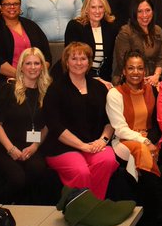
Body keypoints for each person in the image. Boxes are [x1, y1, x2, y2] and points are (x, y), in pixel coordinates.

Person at [40, 42, 119, 199]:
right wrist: (81, 146)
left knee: (108, 159)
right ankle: (80, 208)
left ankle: (94, 205)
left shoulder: (99, 87)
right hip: (62, 147)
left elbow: (110, 120)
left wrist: (103, 140)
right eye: (74, 58)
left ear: (89, 62)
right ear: (66, 62)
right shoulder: (55, 88)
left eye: (83, 58)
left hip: (94, 144)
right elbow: (55, 126)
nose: (78, 63)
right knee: (80, 171)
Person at [106, 49, 162, 226]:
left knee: (146, 151)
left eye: (140, 68)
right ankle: (160, 217)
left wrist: (150, 139)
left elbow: (157, 122)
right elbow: (119, 128)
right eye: (131, 68)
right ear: (123, 71)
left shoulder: (152, 91)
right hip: (123, 142)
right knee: (141, 151)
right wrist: (144, 140)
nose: (135, 72)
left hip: (149, 141)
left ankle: (154, 220)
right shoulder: (114, 94)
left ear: (145, 70)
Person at [0, 47, 58, 205]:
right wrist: (11, 149)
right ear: (21, 67)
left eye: (36, 63)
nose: (33, 67)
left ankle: (25, 210)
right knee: (17, 178)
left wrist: (35, 146)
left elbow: (47, 125)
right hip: (3, 146)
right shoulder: (7, 89)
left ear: (42, 66)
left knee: (38, 170)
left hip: (31, 147)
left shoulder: (47, 92)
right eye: (28, 63)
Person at [0, 0, 52, 88]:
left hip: (35, 79)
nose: (12, 7)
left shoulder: (31, 25)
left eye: (16, 4)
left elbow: (46, 55)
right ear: (0, 7)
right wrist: (21, 76)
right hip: (3, 81)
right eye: (7, 4)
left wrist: (36, 75)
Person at [64, 0, 121, 83]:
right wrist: (96, 80)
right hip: (78, 76)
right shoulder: (75, 26)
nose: (97, 11)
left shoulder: (111, 27)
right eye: (93, 7)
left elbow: (110, 61)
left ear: (105, 9)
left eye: (100, 7)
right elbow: (72, 59)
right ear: (86, 9)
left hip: (104, 78)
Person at [113, 0, 162, 85]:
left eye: (148, 10)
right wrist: (142, 79)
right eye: (140, 11)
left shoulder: (158, 30)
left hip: (153, 79)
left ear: (152, 12)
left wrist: (156, 76)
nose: (144, 15)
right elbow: (124, 62)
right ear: (134, 13)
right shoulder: (126, 32)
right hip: (129, 80)